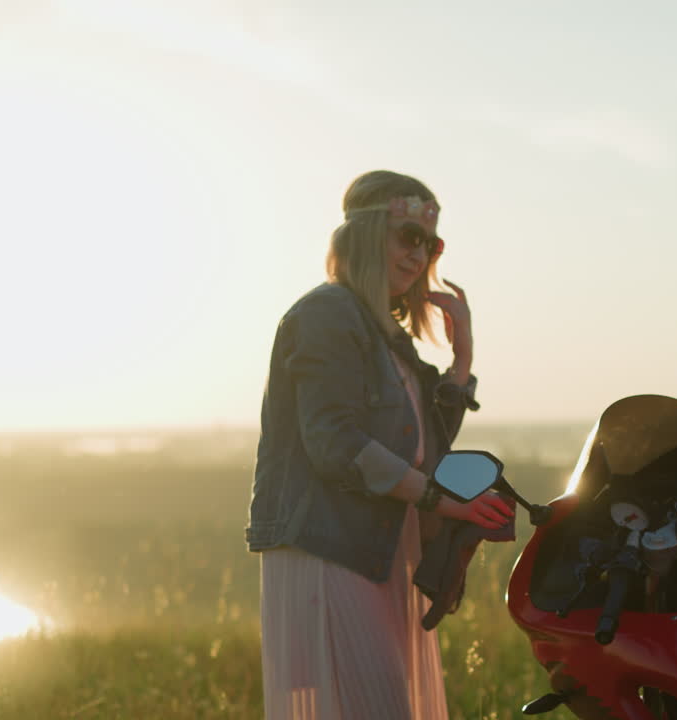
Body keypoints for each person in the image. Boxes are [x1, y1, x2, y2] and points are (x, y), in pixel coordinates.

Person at [246, 170, 514, 720]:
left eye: (430, 244)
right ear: (365, 235)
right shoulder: (327, 313)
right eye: (407, 237)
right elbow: (335, 443)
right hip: (329, 547)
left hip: (379, 550)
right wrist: (439, 501)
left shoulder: (389, 336)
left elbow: (429, 450)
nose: (420, 256)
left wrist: (461, 359)